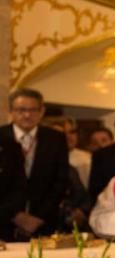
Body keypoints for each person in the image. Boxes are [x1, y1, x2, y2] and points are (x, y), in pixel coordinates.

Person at [0, 89, 69, 241]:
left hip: (42, 222)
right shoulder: (2, 136)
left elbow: (61, 180)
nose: (27, 115)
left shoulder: (55, 139)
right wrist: (14, 215)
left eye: (32, 110)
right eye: (21, 110)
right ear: (11, 111)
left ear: (42, 111)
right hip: (3, 222)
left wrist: (38, 217)